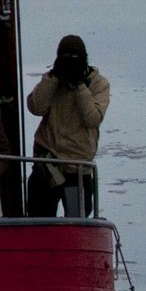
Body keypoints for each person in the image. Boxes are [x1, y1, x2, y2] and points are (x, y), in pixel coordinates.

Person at [26, 35, 111, 218]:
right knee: (38, 218)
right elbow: (36, 107)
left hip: (77, 168)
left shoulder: (98, 84)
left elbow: (93, 119)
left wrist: (79, 85)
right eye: (65, 59)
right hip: (47, 162)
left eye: (74, 60)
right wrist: (54, 76)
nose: (69, 65)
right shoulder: (52, 80)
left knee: (76, 220)